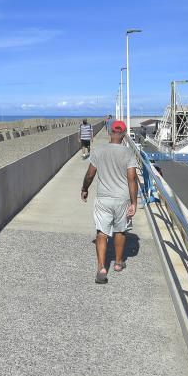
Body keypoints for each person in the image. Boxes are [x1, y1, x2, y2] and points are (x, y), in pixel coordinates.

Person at [80, 120, 138, 284]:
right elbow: (132, 179)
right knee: (120, 231)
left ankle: (101, 268)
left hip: (103, 198)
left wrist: (84, 189)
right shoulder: (128, 153)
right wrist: (134, 203)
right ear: (124, 135)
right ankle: (118, 263)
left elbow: (90, 174)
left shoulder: (99, 151)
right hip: (122, 199)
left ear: (109, 132)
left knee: (102, 232)